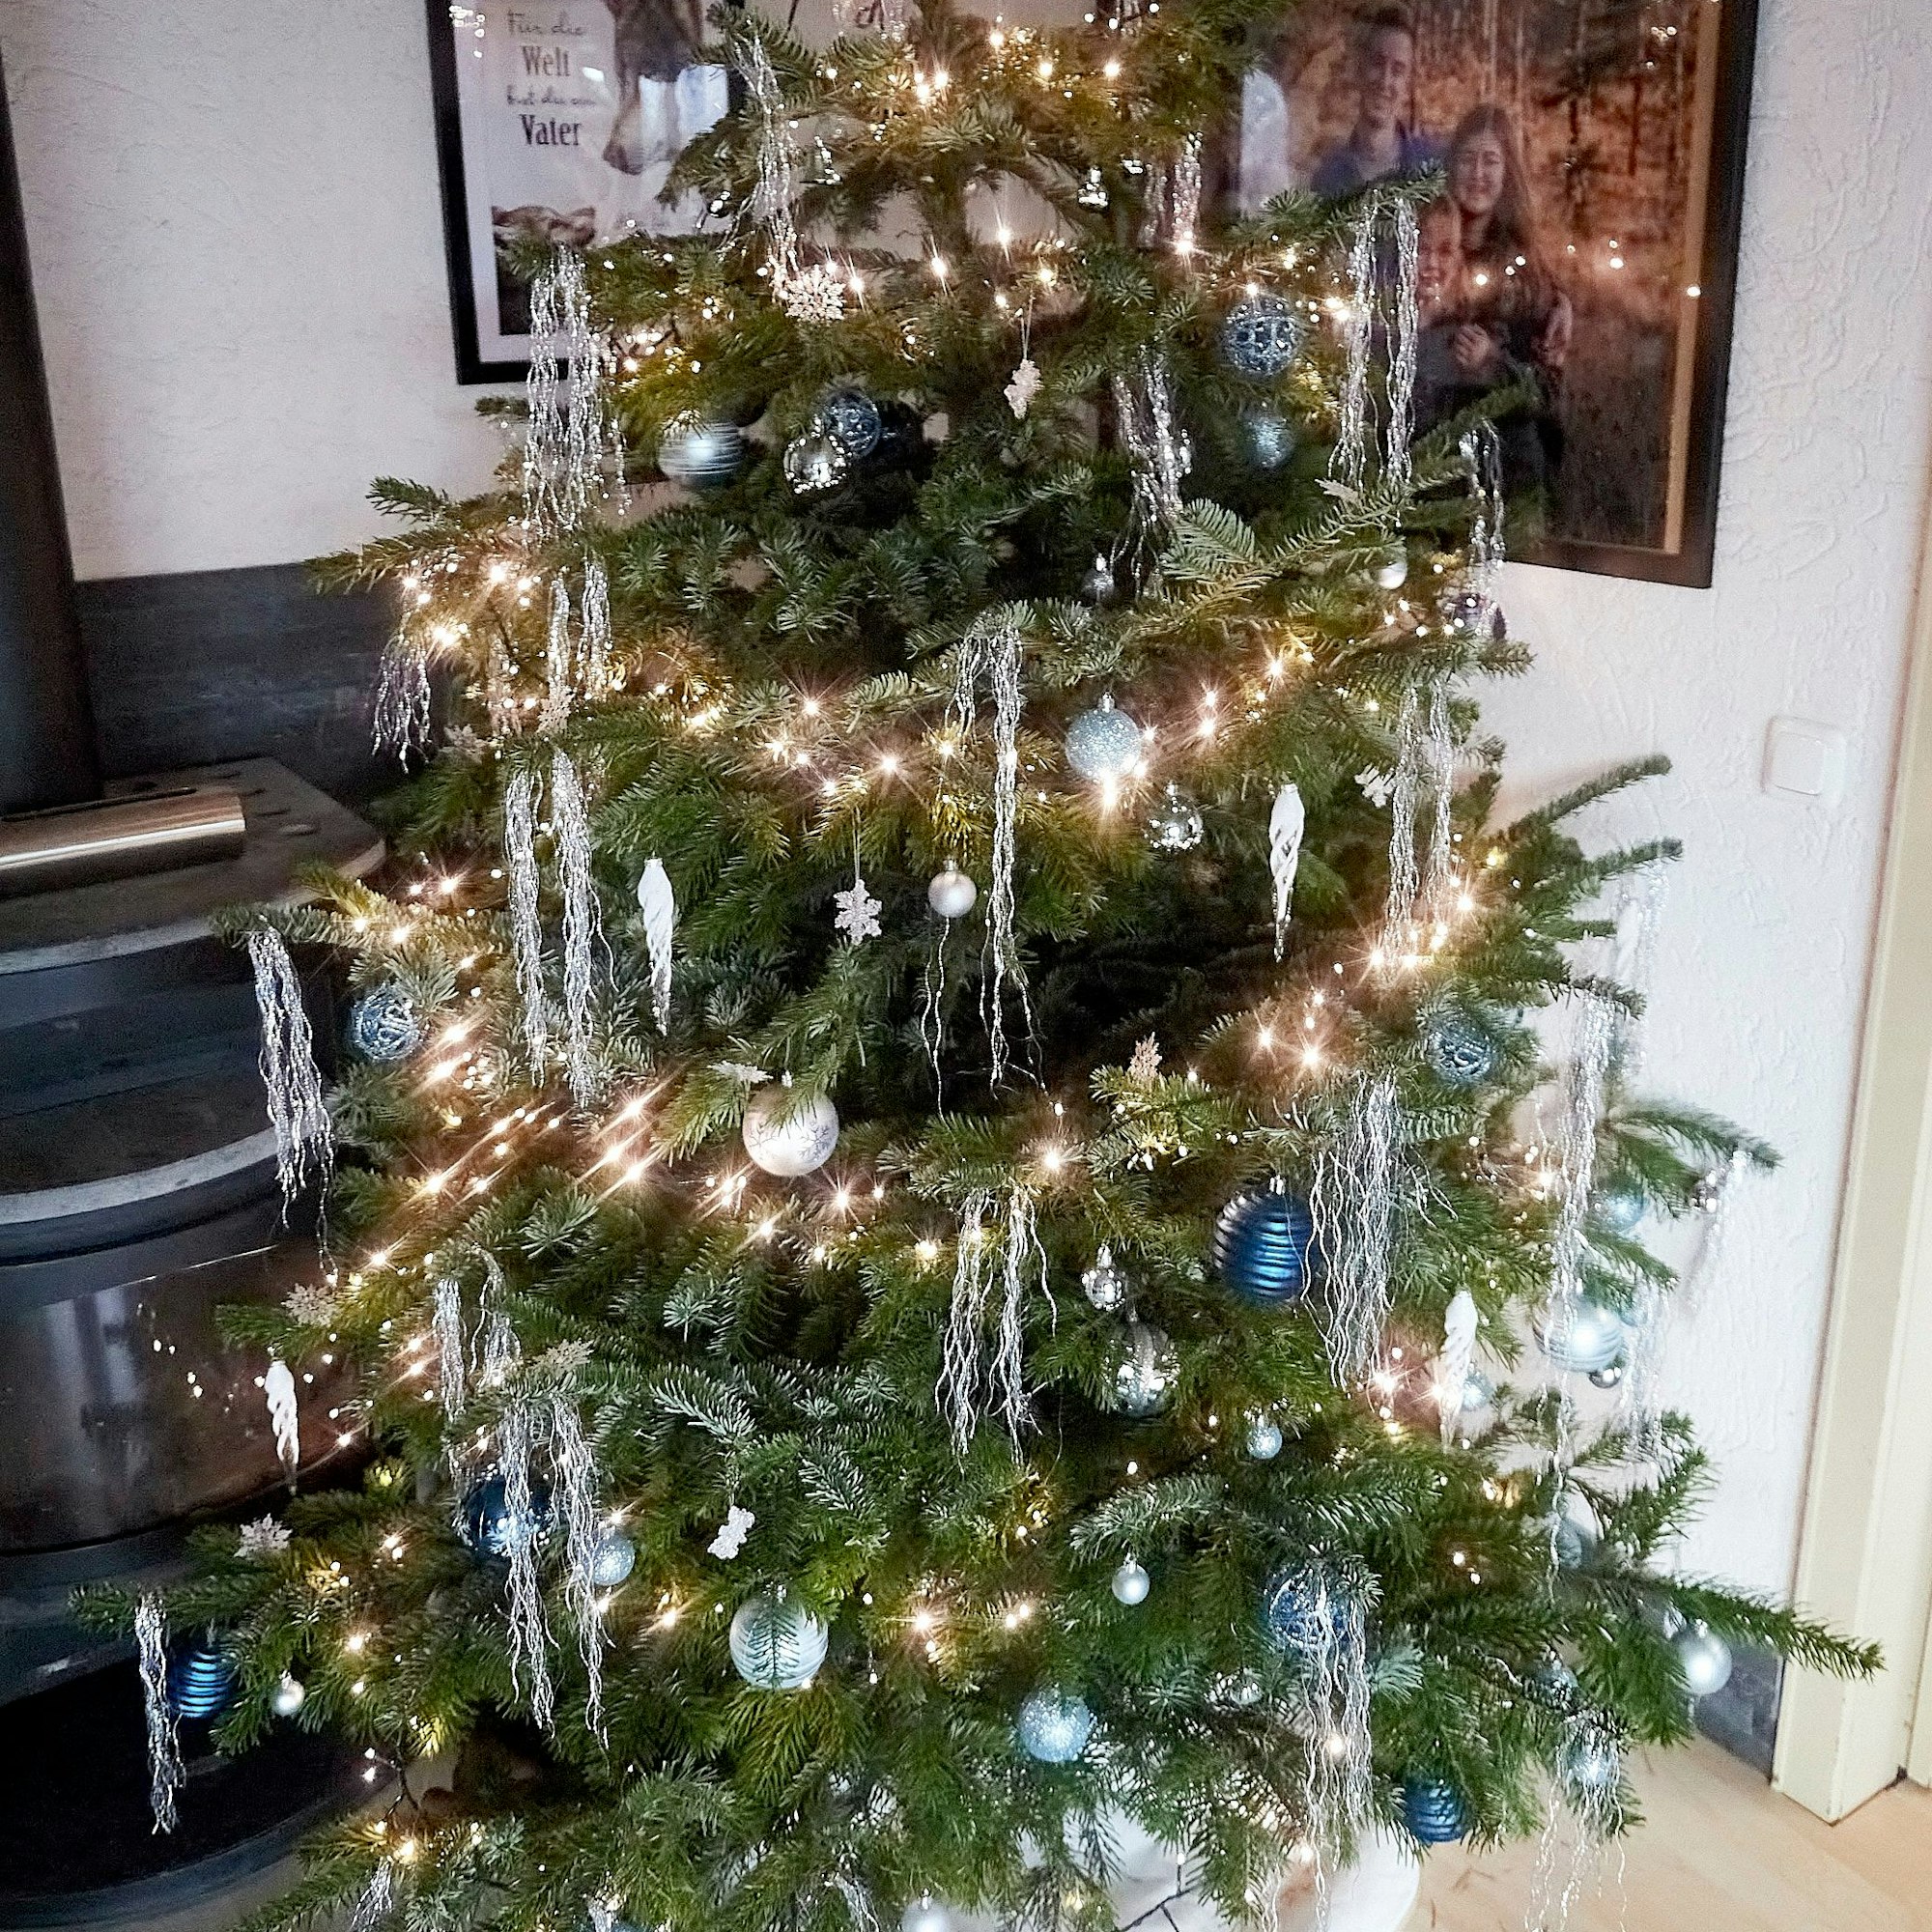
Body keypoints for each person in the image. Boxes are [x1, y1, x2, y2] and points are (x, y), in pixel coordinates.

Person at [1428, 103, 1571, 493]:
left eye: (1490, 161)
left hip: (1505, 472)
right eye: (1467, 160)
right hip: (1428, 468)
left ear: (1507, 173)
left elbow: (1545, 390)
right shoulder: (1427, 249)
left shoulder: (1525, 271)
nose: (1477, 174)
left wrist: (1492, 364)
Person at [1308, 7, 1441, 197]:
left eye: (1397, 70)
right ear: (1359, 68)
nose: (1385, 81)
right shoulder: (1329, 177)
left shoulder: (1430, 169)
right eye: (1378, 64)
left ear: (1408, 85)